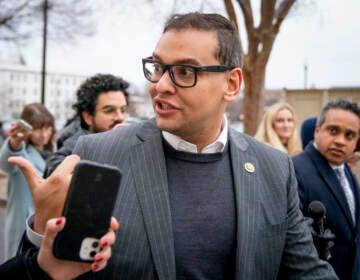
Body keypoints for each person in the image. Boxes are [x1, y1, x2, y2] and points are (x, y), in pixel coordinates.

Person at [0, 12, 338, 279]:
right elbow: (46, 268)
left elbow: (306, 270)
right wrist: (40, 235)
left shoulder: (274, 168)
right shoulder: (95, 155)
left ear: (232, 84)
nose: (160, 85)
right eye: (159, 67)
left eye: (184, 71)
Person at [292, 99, 360, 279]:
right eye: (333, 131)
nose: (340, 141)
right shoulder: (294, 170)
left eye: (349, 135)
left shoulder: (346, 171)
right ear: (317, 130)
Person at [44, 73, 130, 177]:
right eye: (109, 110)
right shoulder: (72, 149)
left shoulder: (126, 143)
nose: (120, 117)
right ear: (88, 117)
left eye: (123, 110)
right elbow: (55, 173)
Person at [0, 103, 56, 261]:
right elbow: (6, 163)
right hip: (23, 226)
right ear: (28, 129)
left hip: (48, 227)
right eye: (38, 128)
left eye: (48, 128)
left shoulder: (55, 152)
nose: (44, 134)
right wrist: (14, 143)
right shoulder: (21, 152)